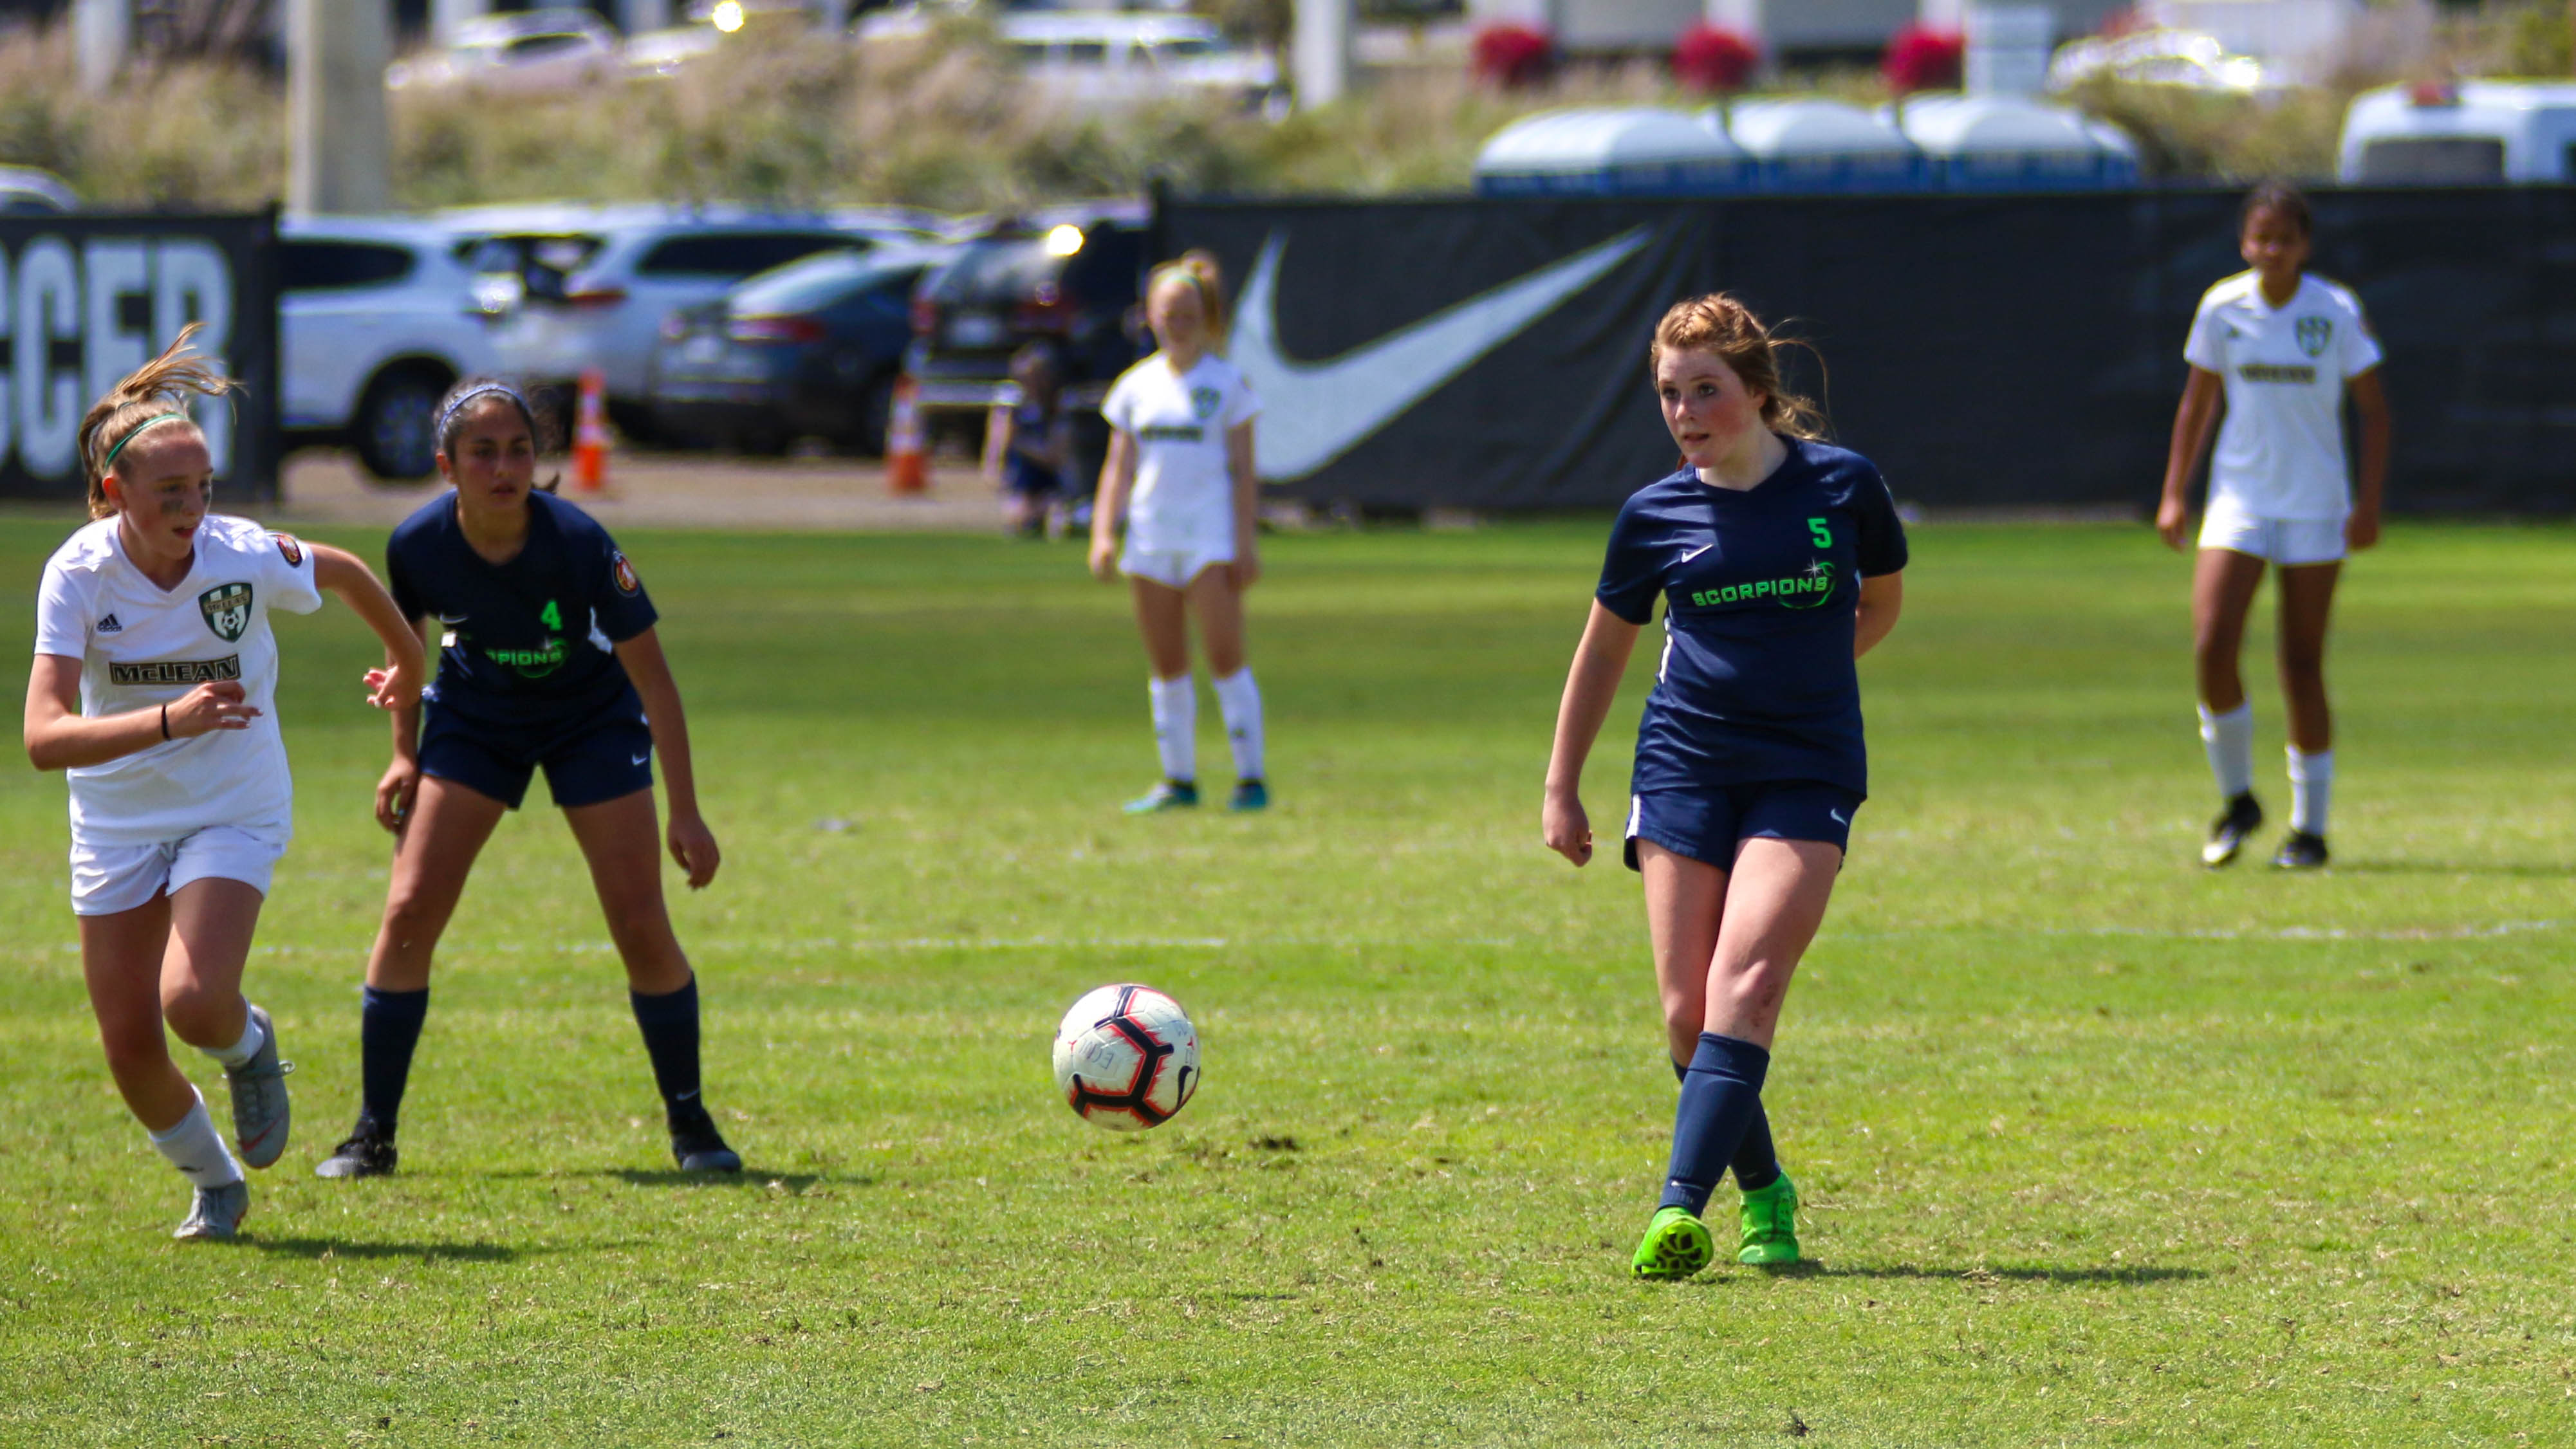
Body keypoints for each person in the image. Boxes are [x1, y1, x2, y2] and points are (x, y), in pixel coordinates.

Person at [24, 326, 425, 1240]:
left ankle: (248, 1046)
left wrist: (406, 660)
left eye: (202, 488)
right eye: (171, 492)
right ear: (112, 493)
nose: (192, 509)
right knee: (130, 1049)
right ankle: (216, 1182)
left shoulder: (237, 555)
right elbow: (44, 738)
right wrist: (173, 717)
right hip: (119, 820)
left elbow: (345, 570)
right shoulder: (78, 577)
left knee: (194, 1003)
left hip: (231, 805)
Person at [1543, 295, 1906, 1280]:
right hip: (1683, 766)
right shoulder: (1652, 514)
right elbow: (1600, 655)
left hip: (1806, 766)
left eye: (1704, 390)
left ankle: (1674, 1211)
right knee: (1682, 1014)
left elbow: (1878, 603)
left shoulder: (1842, 487)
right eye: (1668, 394)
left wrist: (1809, 680)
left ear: (1755, 391)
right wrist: (1559, 786)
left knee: (1744, 985)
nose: (1685, 412)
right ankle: (1766, 1190)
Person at [311, 378, 741, 1181]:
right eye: (483, 451)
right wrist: (404, 751)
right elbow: (407, 657)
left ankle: (692, 1121)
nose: (504, 467)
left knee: (639, 921)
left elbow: (655, 681)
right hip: (477, 721)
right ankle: (373, 1132)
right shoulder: (416, 546)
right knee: (408, 909)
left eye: (518, 449)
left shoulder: (580, 543)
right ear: (447, 464)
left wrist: (686, 811)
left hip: (591, 722)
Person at [2157, 182, 2389, 870]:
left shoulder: (2335, 310)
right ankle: (2238, 799)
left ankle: (2309, 830)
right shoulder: (2222, 307)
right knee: (2210, 643)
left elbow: (2373, 411)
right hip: (2239, 502)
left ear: (2304, 245)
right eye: (2261, 238)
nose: (2272, 251)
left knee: (2300, 660)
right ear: (2244, 242)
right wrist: (2174, 493)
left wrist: (2368, 503)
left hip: (2316, 504)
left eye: (2285, 239)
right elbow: (2195, 405)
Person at [1088, 252, 1267, 814]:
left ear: (1206, 317)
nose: (1178, 324)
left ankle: (1250, 778)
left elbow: (1242, 471)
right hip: (1151, 537)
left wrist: (1245, 542)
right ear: (1150, 317)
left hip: (1209, 537)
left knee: (1224, 655)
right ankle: (1178, 779)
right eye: (1168, 314)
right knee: (1166, 664)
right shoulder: (1135, 388)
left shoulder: (1226, 384)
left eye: (1189, 313)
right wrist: (1103, 533)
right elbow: (1119, 466)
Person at [983, 342, 1075, 539]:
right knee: (1017, 521)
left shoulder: (1056, 407)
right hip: (1022, 479)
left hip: (1048, 480)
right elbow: (998, 439)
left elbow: (1056, 456)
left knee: (1057, 526)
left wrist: (1022, 444)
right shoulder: (1012, 405)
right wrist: (994, 465)